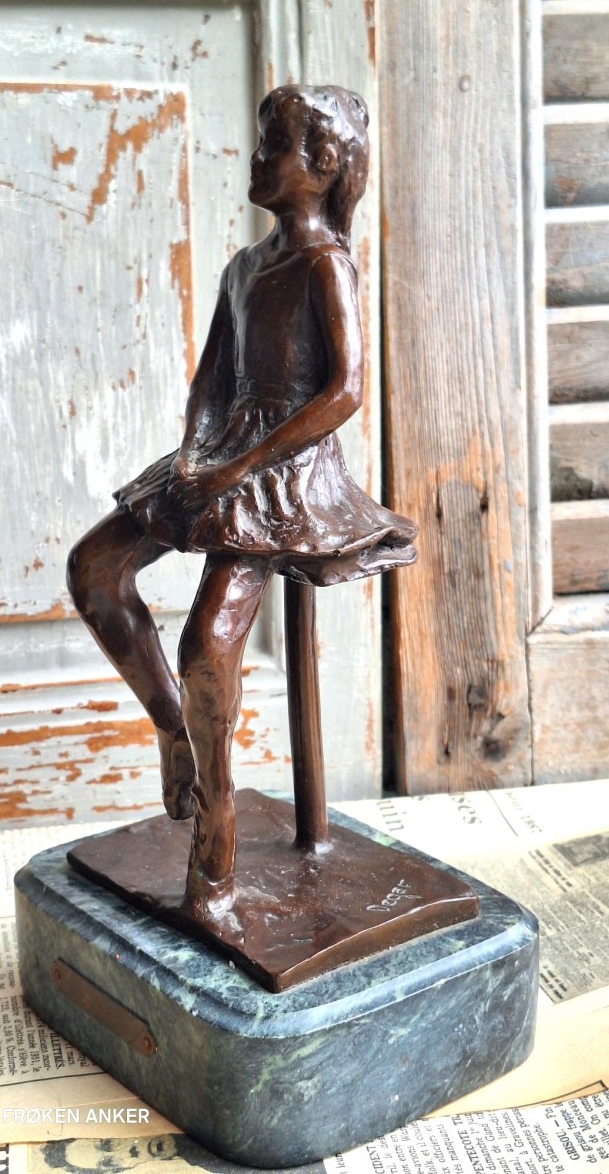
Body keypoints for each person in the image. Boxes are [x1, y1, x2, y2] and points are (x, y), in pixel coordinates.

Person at [67, 85, 417, 920]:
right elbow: (211, 381)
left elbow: (344, 392)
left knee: (207, 644)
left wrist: (240, 470)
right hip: (222, 452)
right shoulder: (243, 268)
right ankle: (173, 731)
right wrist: (197, 455)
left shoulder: (326, 265)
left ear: (321, 164)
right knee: (94, 568)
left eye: (273, 145)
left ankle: (215, 847)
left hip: (287, 471)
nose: (256, 159)